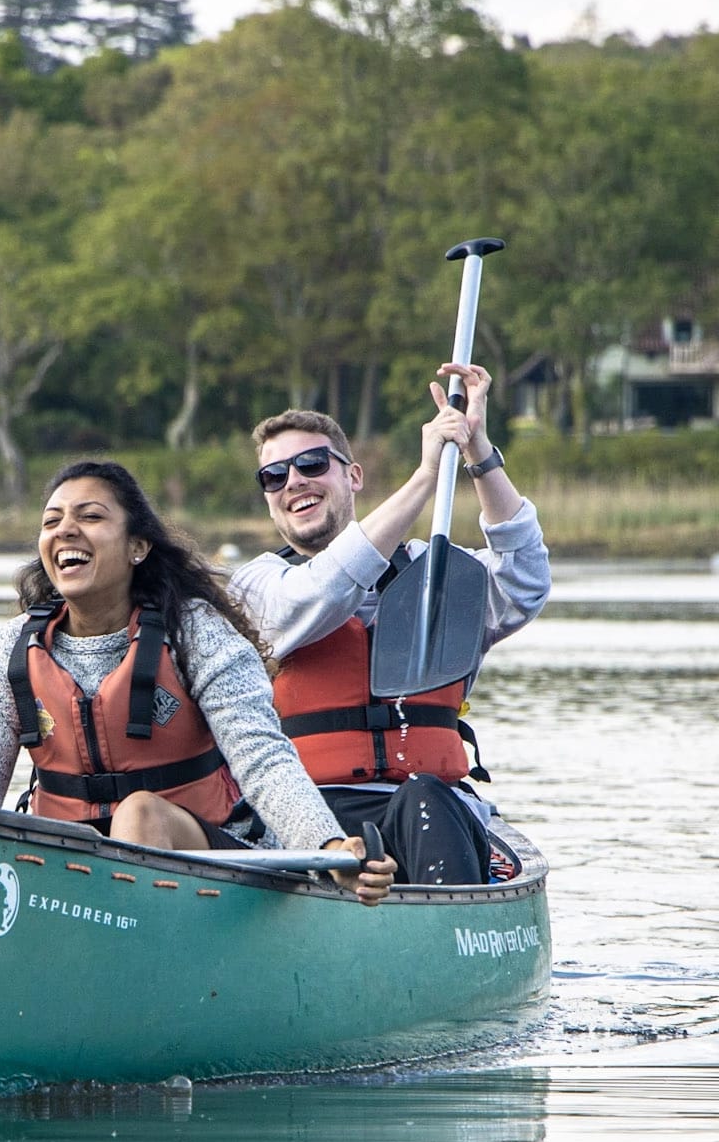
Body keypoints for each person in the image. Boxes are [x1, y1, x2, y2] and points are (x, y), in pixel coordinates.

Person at [0, 460, 396, 903]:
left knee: (139, 813)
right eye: (51, 521)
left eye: (91, 517)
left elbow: (265, 760)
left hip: (219, 868)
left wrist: (329, 846)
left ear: (138, 547)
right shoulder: (13, 649)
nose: (65, 531)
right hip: (74, 874)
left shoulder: (194, 631)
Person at [230, 363, 550, 886]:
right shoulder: (257, 587)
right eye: (275, 475)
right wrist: (426, 477)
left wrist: (478, 455)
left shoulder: (435, 573)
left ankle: (442, 942)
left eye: (312, 464)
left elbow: (525, 584)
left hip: (430, 808)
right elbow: (321, 593)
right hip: (310, 817)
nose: (295, 482)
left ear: (353, 476)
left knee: (426, 795)